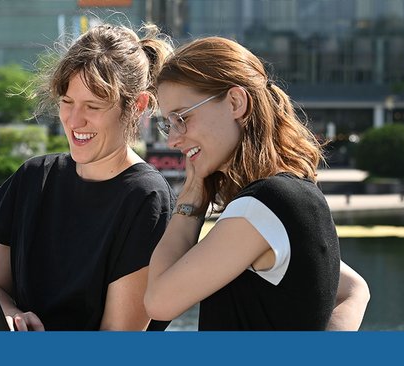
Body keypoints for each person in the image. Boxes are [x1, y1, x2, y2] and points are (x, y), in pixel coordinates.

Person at [144, 36, 370, 330]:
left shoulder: (261, 208)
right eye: (167, 124)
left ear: (236, 102)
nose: (173, 139)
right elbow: (355, 289)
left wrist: (191, 199)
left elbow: (158, 303)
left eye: (182, 118)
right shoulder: (295, 195)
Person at [0, 24, 176, 331]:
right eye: (67, 102)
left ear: (136, 106)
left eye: (93, 106)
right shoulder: (34, 177)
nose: (73, 121)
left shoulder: (146, 197)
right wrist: (10, 314)